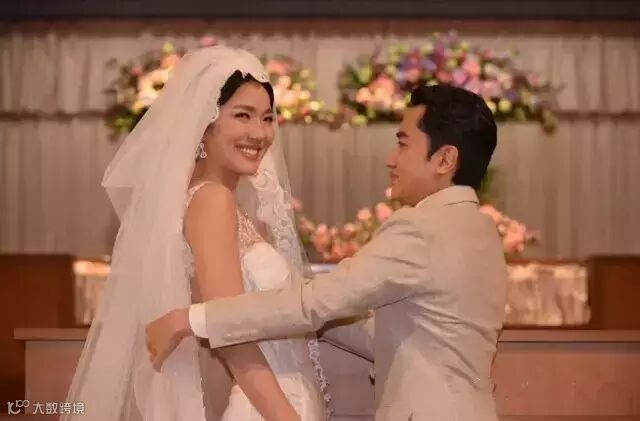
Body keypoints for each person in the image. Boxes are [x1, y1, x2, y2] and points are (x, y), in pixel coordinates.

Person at [147, 84, 508, 421]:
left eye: (403, 144)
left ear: (444, 160)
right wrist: (296, 297)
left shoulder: (421, 228)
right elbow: (393, 335)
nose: (391, 159)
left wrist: (192, 319)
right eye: (244, 115)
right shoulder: (481, 230)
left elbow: (316, 303)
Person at [64, 46, 326, 421]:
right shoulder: (212, 201)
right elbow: (233, 336)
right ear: (205, 125)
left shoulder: (219, 203)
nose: (259, 133)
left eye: (268, 118)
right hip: (270, 408)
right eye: (243, 115)